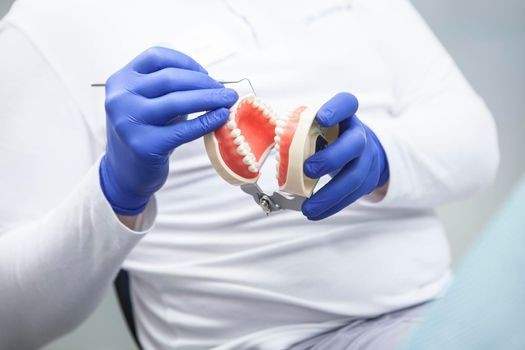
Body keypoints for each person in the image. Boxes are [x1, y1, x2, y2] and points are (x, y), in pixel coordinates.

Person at [0, 0, 499, 349]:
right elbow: (11, 322)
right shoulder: (50, 24)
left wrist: (384, 158)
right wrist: (113, 195)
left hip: (444, 313)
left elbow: (476, 142)